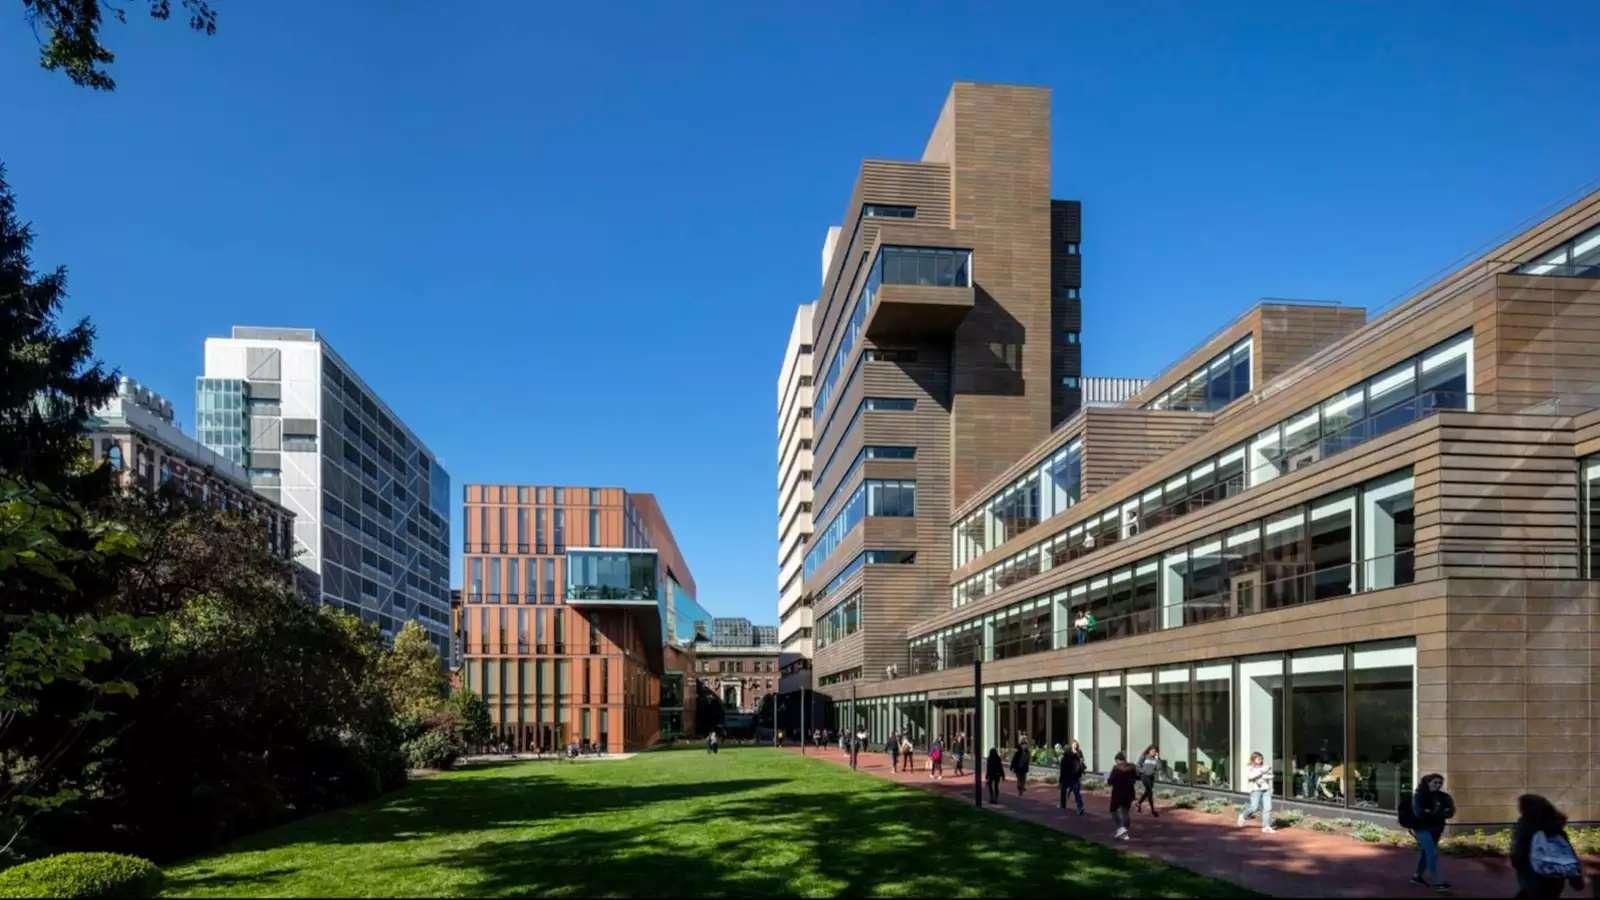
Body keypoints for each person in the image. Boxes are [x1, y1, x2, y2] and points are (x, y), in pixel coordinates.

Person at [1511, 794, 1585, 899]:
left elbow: (1518, 854)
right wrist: (1576, 880)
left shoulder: (1525, 827)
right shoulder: (1555, 826)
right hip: (1554, 881)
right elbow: (1568, 854)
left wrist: (1518, 865)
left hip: (1533, 880)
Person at [1403, 773, 1455, 891]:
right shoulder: (1419, 796)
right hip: (1421, 828)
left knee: (1425, 854)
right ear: (1428, 783)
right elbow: (1419, 813)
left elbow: (1450, 812)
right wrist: (1438, 813)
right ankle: (1437, 881)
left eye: (1440, 783)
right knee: (1432, 853)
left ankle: (1417, 876)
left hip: (1437, 829)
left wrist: (1430, 812)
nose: (1438, 785)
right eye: (1435, 782)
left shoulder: (1444, 796)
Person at [1236, 751, 1276, 832]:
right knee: (1254, 807)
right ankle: (1243, 816)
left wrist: (1264, 775)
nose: (1260, 761)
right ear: (1253, 759)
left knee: (1267, 808)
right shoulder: (1249, 767)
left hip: (1266, 789)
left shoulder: (1264, 767)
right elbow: (1251, 776)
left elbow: (1271, 776)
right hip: (1255, 790)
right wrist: (1262, 772)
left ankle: (1266, 826)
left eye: (1261, 759)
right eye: (1258, 759)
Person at [1107, 751, 1138, 840]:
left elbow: (1110, 781)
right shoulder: (1132, 767)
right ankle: (1125, 833)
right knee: (1125, 812)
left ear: (1118, 760)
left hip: (1117, 792)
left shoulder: (1116, 768)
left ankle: (1121, 828)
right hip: (1129, 792)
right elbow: (1135, 778)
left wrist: (1109, 780)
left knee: (1113, 810)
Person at [1059, 739, 1087, 815]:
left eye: (1075, 744)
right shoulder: (1074, 757)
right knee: (1075, 792)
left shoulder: (1066, 758)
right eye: (1073, 744)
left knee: (1066, 791)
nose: (1074, 746)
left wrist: (1060, 779)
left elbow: (1063, 770)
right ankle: (1079, 806)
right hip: (1074, 777)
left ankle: (1064, 805)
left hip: (1069, 778)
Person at [1135, 745, 1161, 817]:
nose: (1154, 752)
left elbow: (1158, 768)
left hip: (1151, 777)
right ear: (1149, 751)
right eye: (1152, 751)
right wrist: (1142, 771)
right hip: (1144, 776)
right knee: (1150, 792)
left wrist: (1157, 758)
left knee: (1147, 792)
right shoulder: (1144, 756)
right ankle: (1153, 810)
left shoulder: (1156, 759)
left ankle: (1138, 803)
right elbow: (1137, 765)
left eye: (1155, 751)